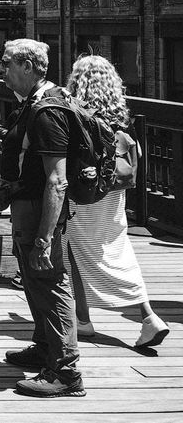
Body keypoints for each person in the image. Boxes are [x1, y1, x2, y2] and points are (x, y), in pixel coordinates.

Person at [0, 38, 85, 397]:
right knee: (34, 281)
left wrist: (45, 238)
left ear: (28, 67)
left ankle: (66, 371)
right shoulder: (33, 102)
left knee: (50, 282)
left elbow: (57, 180)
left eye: (6, 63)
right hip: (28, 205)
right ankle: (46, 348)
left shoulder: (48, 110)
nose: (1, 70)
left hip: (41, 212)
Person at [64, 55, 169, 348]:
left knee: (74, 250)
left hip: (86, 194)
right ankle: (149, 317)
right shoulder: (121, 115)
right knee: (118, 250)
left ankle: (83, 320)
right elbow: (135, 156)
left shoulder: (76, 113)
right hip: (114, 193)